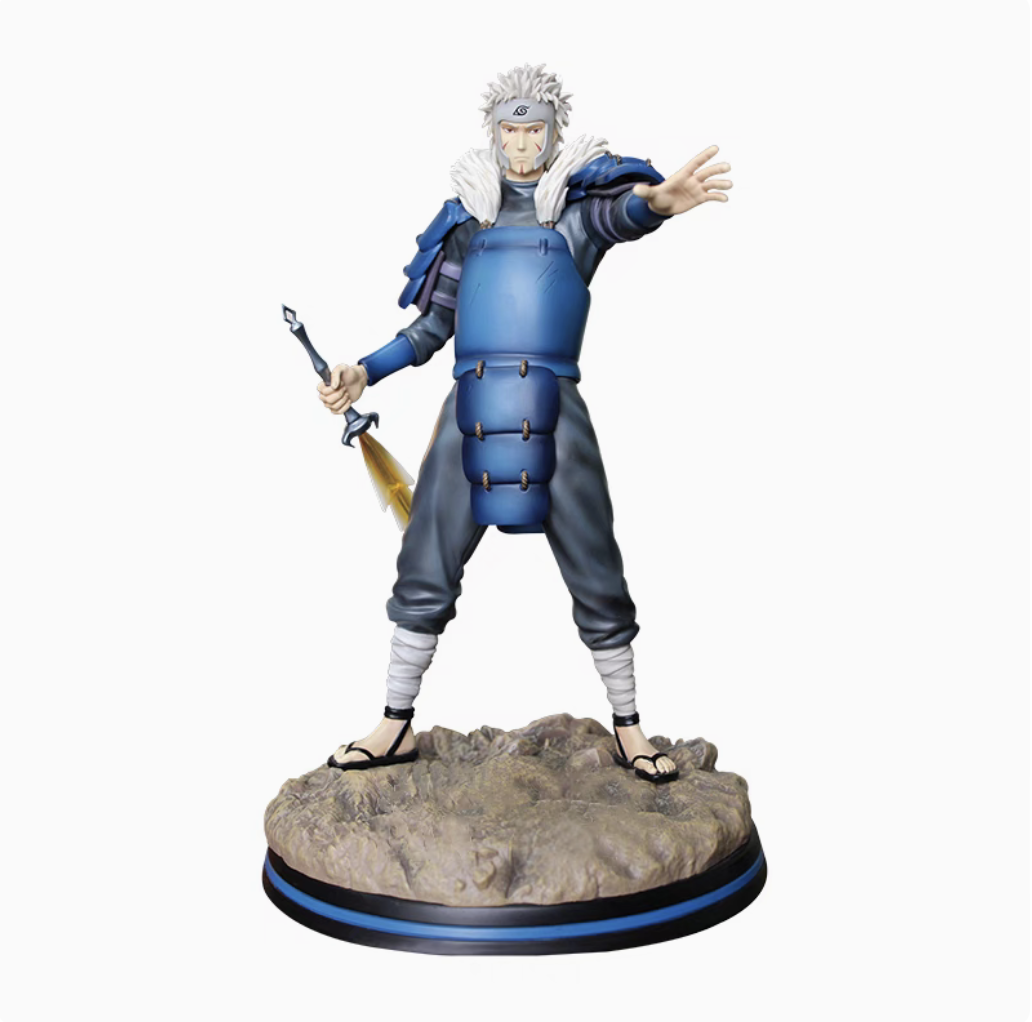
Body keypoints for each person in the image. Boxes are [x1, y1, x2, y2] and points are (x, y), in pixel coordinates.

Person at [318, 64, 732, 782]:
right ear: (493, 134)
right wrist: (364, 370)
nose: (519, 145)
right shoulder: (466, 220)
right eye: (509, 132)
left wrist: (657, 203)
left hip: (554, 410)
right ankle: (394, 722)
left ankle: (630, 727)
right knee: (425, 560)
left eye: (532, 130)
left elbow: (621, 214)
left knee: (594, 562)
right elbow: (433, 327)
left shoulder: (574, 211)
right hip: (470, 410)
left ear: (553, 134)